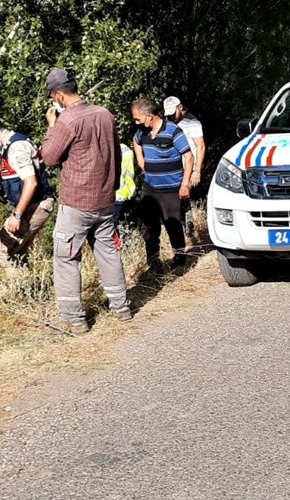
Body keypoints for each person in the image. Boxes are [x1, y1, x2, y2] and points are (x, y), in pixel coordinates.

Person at [39, 68, 132, 332]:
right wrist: (113, 187)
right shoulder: (105, 114)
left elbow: (48, 157)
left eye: (52, 97)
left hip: (77, 202)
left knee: (66, 256)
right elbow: (115, 153)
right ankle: (121, 307)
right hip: (105, 197)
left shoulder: (67, 121)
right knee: (108, 251)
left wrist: (51, 127)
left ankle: (75, 319)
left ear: (58, 95)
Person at [0, 114, 56, 265]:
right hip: (31, 205)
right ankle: (26, 285)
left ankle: (13, 286)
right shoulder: (12, 144)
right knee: (18, 253)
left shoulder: (16, 147)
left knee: (1, 249)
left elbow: (31, 183)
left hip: (36, 204)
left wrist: (17, 216)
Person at [131, 99, 193, 272]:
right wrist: (141, 161)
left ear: (149, 116)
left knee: (172, 225)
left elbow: (189, 157)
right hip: (150, 188)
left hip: (171, 188)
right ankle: (153, 262)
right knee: (149, 227)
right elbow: (135, 141)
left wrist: (185, 184)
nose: (136, 123)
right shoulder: (142, 132)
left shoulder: (173, 131)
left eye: (138, 119)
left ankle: (180, 261)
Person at [164, 96, 206, 237]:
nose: (171, 117)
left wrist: (196, 170)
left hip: (188, 167)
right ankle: (186, 231)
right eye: (168, 115)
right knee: (179, 199)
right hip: (174, 167)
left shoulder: (192, 122)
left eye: (173, 114)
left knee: (183, 197)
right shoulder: (169, 122)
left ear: (180, 108)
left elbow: (200, 147)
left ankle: (188, 231)